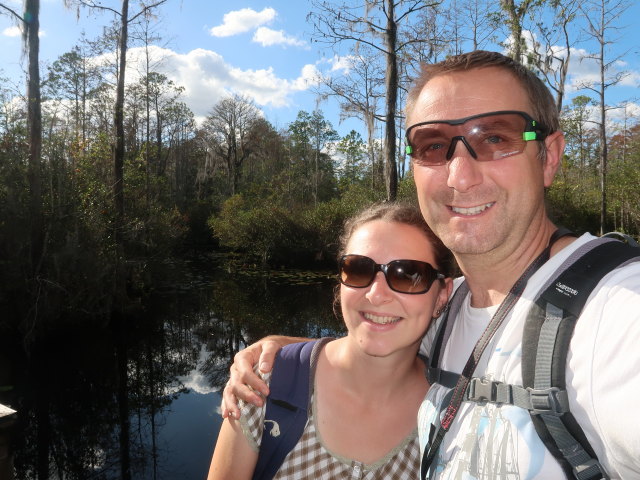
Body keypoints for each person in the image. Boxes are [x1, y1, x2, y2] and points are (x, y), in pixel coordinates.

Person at [223, 50, 640, 479]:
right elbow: (377, 340)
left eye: (496, 138)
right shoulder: (444, 306)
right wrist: (280, 351)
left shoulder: (616, 314)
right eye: (434, 146)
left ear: (548, 156)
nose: (461, 176)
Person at [208, 202, 454, 480]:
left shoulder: (453, 416)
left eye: (408, 275)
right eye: (359, 269)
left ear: (443, 294)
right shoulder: (265, 385)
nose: (376, 294)